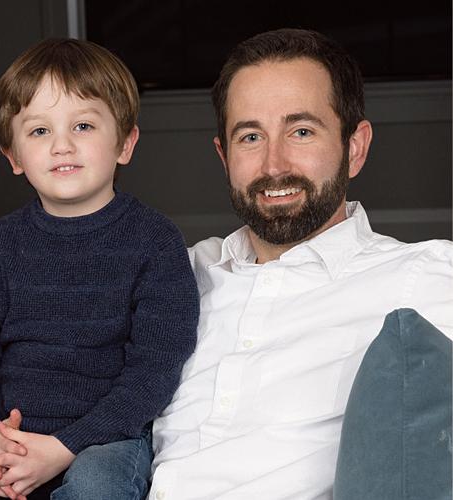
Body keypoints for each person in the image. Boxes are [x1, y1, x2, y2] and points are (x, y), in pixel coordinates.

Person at [149, 28, 453, 500]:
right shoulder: (177, 272)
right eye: (250, 136)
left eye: (301, 131)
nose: (274, 164)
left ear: (355, 147)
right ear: (223, 155)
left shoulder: (425, 275)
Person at [0, 38, 199, 500]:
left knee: (97, 487)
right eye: (39, 131)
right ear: (14, 156)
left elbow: (154, 371)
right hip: (10, 437)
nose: (62, 145)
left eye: (83, 125)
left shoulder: (155, 242)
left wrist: (65, 446)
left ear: (125, 143)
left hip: (107, 438)